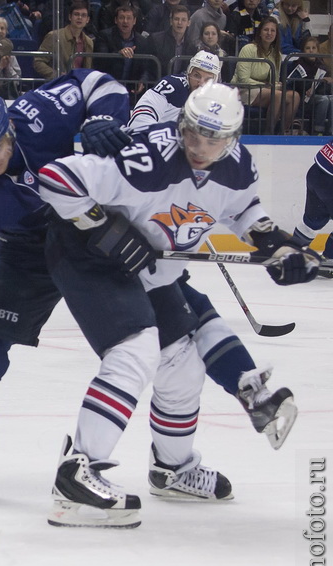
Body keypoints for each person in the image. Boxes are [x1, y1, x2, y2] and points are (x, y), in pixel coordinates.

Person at [36, 82, 319, 528]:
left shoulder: (239, 168)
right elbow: (55, 179)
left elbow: (244, 211)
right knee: (136, 350)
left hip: (147, 268)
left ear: (233, 139)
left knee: (184, 363)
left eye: (214, 139)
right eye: (193, 134)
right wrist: (107, 232)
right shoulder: (147, 159)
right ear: (182, 124)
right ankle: (77, 476)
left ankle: (173, 469)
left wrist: (276, 246)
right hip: (86, 256)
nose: (200, 147)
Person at [0, 70, 133, 488]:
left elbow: (98, 83)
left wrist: (100, 120)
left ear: (10, 128)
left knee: (152, 336)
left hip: (95, 232)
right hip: (25, 253)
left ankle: (172, 461)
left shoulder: (39, 112)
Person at [127, 51, 297, 449]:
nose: (202, 81)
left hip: (161, 242)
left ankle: (249, 386)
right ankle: (172, 462)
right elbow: (137, 129)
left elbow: (243, 208)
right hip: (130, 232)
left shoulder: (221, 136)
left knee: (196, 309)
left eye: (209, 76)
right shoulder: (170, 93)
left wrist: (275, 242)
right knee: (184, 339)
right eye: (198, 74)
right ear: (189, 74)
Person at [233, 15, 300, 134]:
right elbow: (243, 79)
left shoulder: (277, 54)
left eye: (272, 30)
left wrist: (271, 86)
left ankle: (283, 132)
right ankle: (269, 133)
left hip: (266, 91)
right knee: (277, 95)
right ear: (260, 32)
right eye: (266, 30)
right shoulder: (248, 49)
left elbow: (275, 80)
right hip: (244, 90)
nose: (269, 33)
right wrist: (267, 86)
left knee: (294, 96)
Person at [129, 49, 220, 128]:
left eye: (208, 79)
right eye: (197, 76)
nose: (201, 83)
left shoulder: (216, 102)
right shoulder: (171, 86)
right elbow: (141, 116)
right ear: (188, 73)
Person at [92, 3, 148, 96]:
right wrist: (118, 54)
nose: (125, 21)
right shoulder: (104, 36)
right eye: (121, 17)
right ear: (115, 20)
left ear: (134, 21)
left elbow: (146, 67)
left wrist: (142, 81)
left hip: (131, 90)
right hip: (108, 87)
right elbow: (100, 61)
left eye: (129, 18)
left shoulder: (142, 41)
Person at [291, 139, 333, 260]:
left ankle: (291, 255)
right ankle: (330, 259)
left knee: (312, 221)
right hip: (329, 181)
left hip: (316, 173)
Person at [33, 1, 93, 81]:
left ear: (87, 20)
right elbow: (38, 62)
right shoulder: (54, 37)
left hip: (79, 86)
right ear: (70, 17)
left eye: (83, 15)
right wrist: (57, 75)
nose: (79, 18)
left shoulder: (89, 42)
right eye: (76, 14)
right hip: (58, 86)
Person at [286, 35, 333, 136]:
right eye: (308, 48)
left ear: (318, 50)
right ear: (303, 50)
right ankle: (318, 131)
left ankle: (330, 131)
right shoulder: (298, 65)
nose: (311, 51)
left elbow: (327, 88)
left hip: (319, 95)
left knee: (330, 98)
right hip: (304, 99)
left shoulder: (322, 66)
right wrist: (317, 82)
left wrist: (326, 82)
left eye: (313, 48)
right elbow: (297, 85)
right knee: (324, 100)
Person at [138, 3, 196, 79]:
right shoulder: (155, 40)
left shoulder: (192, 45)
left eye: (183, 20)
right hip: (158, 84)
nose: (180, 23)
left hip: (181, 86)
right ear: (171, 21)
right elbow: (146, 66)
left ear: (188, 23)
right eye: (176, 19)